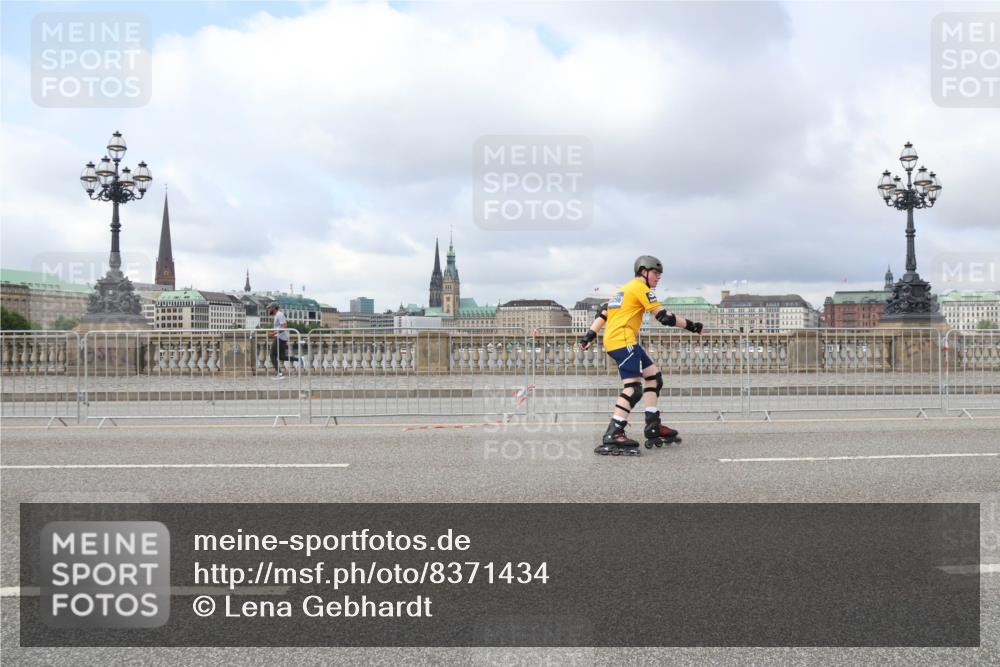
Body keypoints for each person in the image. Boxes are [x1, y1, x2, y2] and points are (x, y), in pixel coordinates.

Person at [580, 255, 703, 456]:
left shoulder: (624, 289)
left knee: (654, 377)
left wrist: (589, 336)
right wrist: (692, 326)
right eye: (655, 273)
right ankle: (613, 433)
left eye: (660, 275)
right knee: (634, 388)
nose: (658, 278)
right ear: (643, 272)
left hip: (622, 340)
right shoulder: (640, 288)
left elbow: (603, 312)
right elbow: (664, 317)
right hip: (623, 340)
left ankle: (652, 425)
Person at [267, 302, 298, 379]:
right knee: (281, 356)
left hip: (280, 338)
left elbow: (284, 326)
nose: (269, 310)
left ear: (274, 308)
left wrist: (273, 333)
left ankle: (280, 374)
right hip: (281, 337)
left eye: (270, 308)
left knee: (272, 355)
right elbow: (280, 327)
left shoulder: (279, 314)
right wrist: (273, 333)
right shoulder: (277, 315)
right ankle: (299, 359)